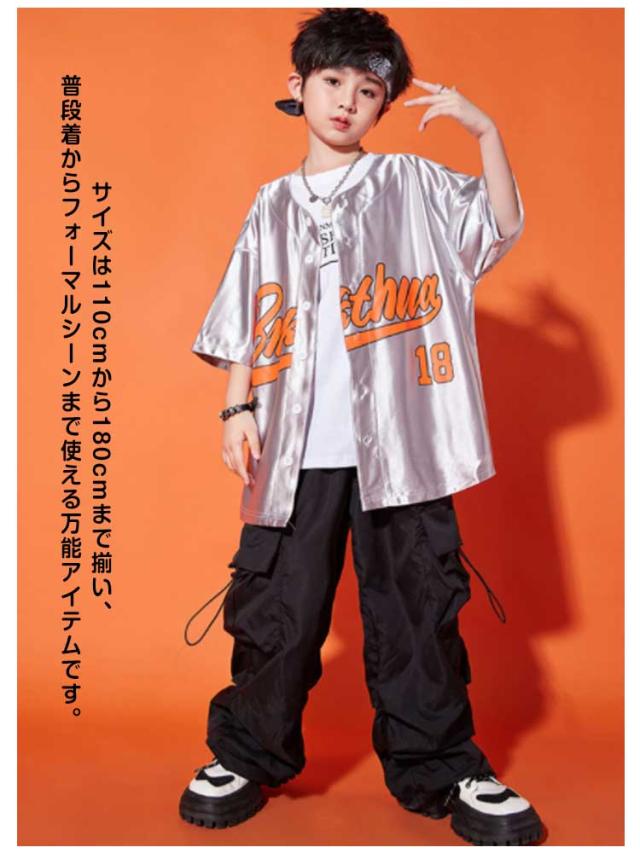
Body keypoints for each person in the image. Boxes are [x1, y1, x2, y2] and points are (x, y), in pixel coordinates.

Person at [179, 7, 543, 846]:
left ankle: (444, 765)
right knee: (276, 605)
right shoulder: (271, 204)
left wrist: (485, 132)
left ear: (384, 105)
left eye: (368, 90)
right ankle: (245, 752)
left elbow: (498, 225)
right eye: (333, 80)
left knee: (419, 606)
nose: (347, 101)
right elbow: (248, 316)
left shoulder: (411, 183)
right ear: (299, 86)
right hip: (293, 448)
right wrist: (236, 406)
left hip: (403, 449)